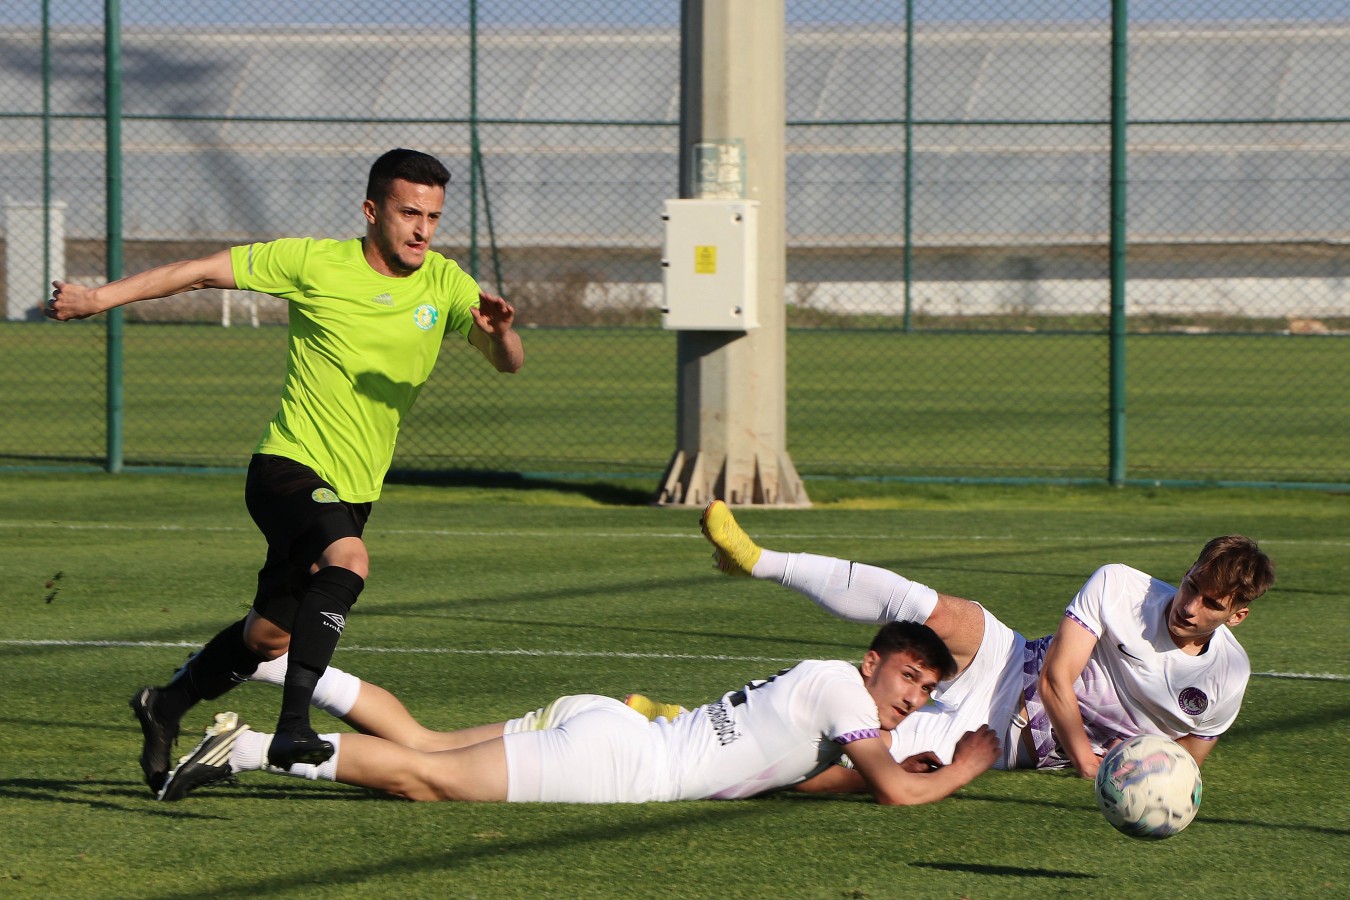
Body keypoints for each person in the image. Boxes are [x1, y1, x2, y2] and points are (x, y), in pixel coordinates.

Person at [47, 148, 524, 788]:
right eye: (409, 212)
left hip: (354, 490)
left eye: (433, 216)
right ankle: (293, 728)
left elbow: (508, 362)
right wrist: (96, 298)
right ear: (372, 209)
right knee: (349, 561)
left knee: (269, 636)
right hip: (288, 466)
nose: (422, 229)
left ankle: (167, 705)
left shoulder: (444, 281)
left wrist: (500, 334)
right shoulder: (314, 261)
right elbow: (201, 272)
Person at [696, 499, 1275, 780]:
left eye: (1211, 605)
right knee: (934, 610)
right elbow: (1056, 678)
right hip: (1010, 665)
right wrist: (1088, 762)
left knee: (845, 734)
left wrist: (1146, 792)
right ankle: (756, 559)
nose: (1189, 605)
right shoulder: (1122, 585)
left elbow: (1183, 765)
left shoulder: (1228, 676)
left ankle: (690, 722)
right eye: (1193, 584)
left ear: (1238, 615)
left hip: (1002, 739)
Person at [156, 621, 1001, 805]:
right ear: (873, 663)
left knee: (419, 742)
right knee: (424, 779)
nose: (914, 696)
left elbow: (796, 780)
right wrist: (967, 762)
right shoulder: (846, 693)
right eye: (909, 677)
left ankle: (267, 659)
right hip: (624, 764)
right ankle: (244, 750)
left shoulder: (834, 699)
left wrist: (873, 773)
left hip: (617, 727)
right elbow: (895, 791)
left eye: (927, 689)